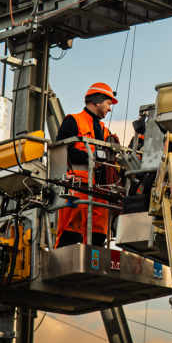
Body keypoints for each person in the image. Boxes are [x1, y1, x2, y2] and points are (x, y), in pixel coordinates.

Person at [54, 82, 118, 248]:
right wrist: (89, 158)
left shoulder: (105, 131)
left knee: (98, 236)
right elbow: (60, 151)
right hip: (77, 187)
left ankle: (92, 268)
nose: (110, 109)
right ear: (98, 101)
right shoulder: (73, 121)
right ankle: (63, 268)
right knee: (70, 233)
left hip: (100, 191)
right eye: (108, 104)